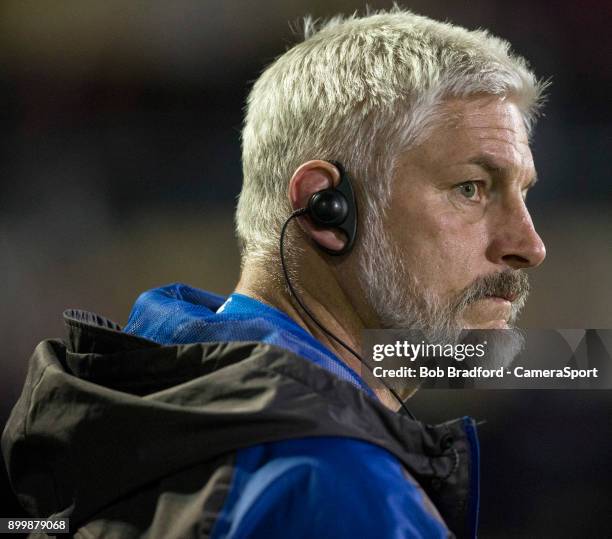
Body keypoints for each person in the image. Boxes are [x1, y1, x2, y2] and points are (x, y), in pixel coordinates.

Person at [2, 8, 547, 538]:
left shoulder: (134, 400)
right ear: (325, 206)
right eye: (470, 189)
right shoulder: (336, 487)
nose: (529, 246)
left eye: (522, 194)